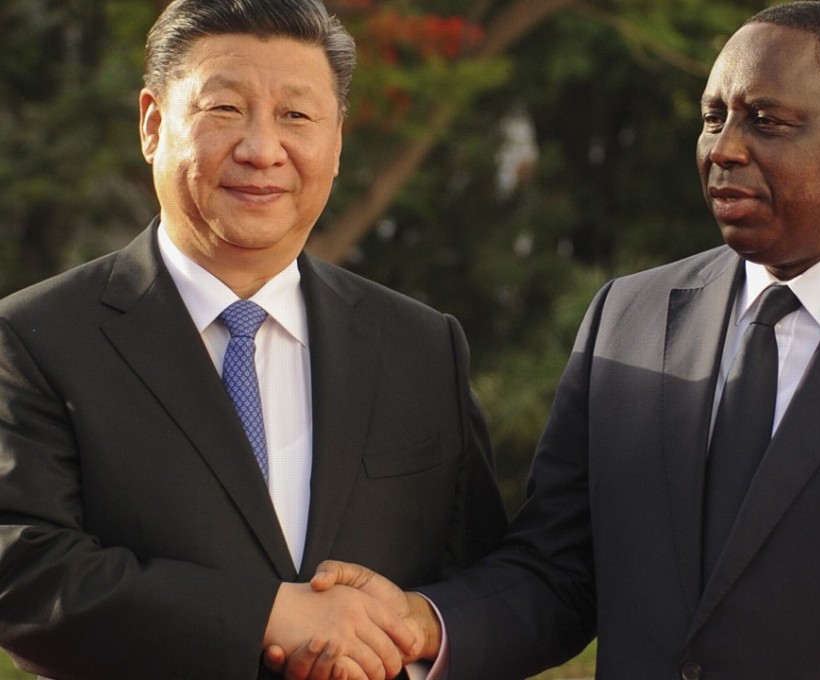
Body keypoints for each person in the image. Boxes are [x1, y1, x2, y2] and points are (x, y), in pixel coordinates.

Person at [284, 1, 820, 678]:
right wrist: (422, 624)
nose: (724, 149)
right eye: (712, 117)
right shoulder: (627, 321)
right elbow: (556, 573)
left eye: (765, 120)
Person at [0, 1, 507, 679]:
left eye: (296, 115)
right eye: (225, 110)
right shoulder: (38, 339)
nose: (262, 149)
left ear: (337, 141)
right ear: (153, 125)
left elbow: (489, 581)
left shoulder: (420, 346)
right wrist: (269, 615)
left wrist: (418, 630)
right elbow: (25, 571)